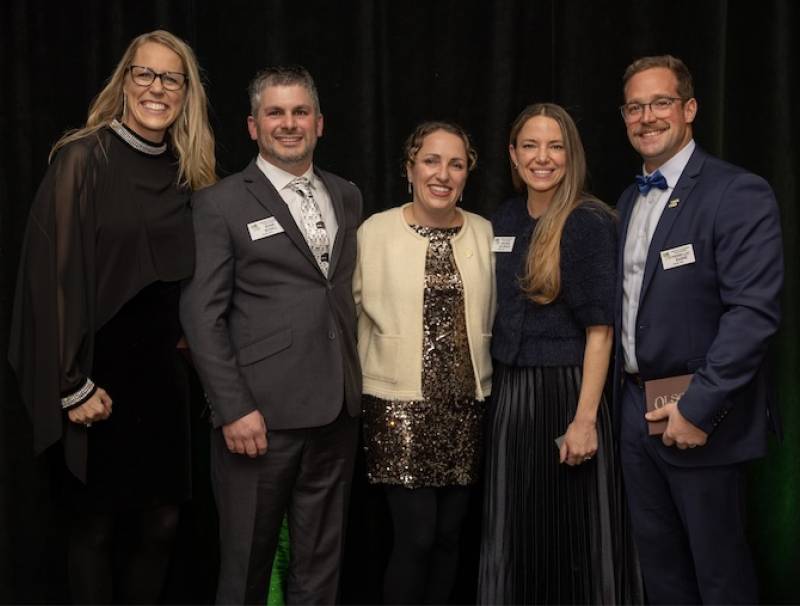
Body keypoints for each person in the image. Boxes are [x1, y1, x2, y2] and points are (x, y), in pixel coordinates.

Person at [8, 30, 216, 603]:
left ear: (185, 92)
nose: (157, 87)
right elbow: (49, 276)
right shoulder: (84, 157)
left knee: (162, 526)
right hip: (95, 373)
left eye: (170, 78)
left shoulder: (187, 170)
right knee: (94, 527)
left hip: (161, 381)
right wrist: (72, 386)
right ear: (124, 82)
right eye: (144, 74)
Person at [179, 65, 363, 605]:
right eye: (275, 113)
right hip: (258, 419)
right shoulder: (221, 203)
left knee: (320, 569)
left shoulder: (346, 195)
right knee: (246, 569)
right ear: (253, 126)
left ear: (320, 123)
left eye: (300, 112)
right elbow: (200, 316)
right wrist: (232, 409)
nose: (289, 123)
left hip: (336, 412)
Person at [614, 55, 783, 604]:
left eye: (660, 102)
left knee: (720, 577)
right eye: (635, 107)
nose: (647, 117)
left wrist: (697, 407)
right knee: (660, 574)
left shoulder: (737, 192)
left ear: (689, 109)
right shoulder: (627, 201)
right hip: (636, 415)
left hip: (701, 416)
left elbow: (753, 315)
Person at [479, 103, 643, 604]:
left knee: (573, 534)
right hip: (511, 396)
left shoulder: (588, 221)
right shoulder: (503, 218)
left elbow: (602, 332)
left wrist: (585, 420)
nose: (542, 157)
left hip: (568, 393)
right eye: (530, 145)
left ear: (571, 156)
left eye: (555, 146)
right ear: (513, 153)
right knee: (516, 532)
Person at [353, 121, 494, 604]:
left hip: (464, 411)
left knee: (450, 538)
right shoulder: (374, 231)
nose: (443, 173)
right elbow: (350, 316)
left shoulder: (485, 232)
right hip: (398, 410)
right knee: (414, 538)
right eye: (431, 161)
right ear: (409, 168)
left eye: (456, 164)